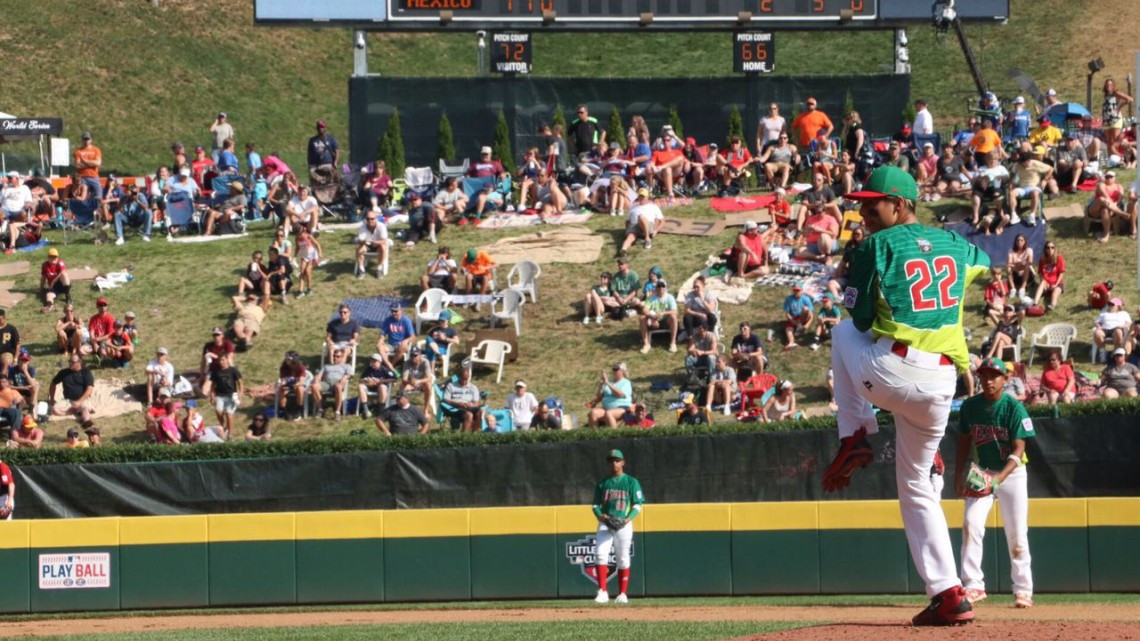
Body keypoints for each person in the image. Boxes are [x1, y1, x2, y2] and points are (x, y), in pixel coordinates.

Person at [822, 166, 988, 626]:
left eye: (872, 205)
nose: (863, 214)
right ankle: (949, 594)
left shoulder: (873, 246)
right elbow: (984, 261)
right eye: (861, 206)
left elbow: (859, 319)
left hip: (892, 372)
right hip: (941, 385)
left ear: (899, 204)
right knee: (915, 483)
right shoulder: (955, 243)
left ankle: (855, 434)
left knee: (841, 332)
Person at [954, 357, 1035, 609]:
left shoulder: (1014, 408)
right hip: (982, 472)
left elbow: (1019, 448)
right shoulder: (970, 406)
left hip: (1012, 473)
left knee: (1017, 532)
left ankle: (1023, 590)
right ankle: (974, 585)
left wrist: (1000, 478)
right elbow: (964, 441)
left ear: (1005, 379)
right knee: (971, 523)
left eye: (994, 375)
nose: (988, 380)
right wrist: (958, 474)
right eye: (984, 375)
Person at [590, 448, 644, 604]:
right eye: (611, 461)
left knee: (623, 557)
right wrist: (600, 515)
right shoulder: (602, 483)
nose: (614, 463)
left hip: (623, 524)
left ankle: (622, 594)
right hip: (605, 522)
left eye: (617, 460)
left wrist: (628, 519)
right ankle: (602, 591)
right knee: (600, 554)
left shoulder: (631, 482)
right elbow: (595, 505)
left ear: (623, 462)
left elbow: (638, 504)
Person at [49, 355, 96, 429]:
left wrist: (79, 402)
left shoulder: (86, 372)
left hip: (82, 399)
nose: (70, 363)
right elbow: (53, 384)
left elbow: (89, 389)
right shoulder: (64, 373)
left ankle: (86, 422)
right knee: (55, 409)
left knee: (85, 408)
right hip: (68, 401)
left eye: (72, 362)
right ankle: (76, 412)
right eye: (69, 361)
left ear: (79, 362)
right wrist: (52, 399)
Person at [1087, 171, 1134, 243]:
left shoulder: (1119, 186)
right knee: (1102, 199)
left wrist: (1112, 206)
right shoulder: (1101, 184)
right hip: (1096, 209)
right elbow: (1104, 194)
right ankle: (1121, 213)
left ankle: (1106, 235)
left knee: (1105, 210)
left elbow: (1119, 200)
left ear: (1115, 178)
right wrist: (1111, 204)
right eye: (1107, 177)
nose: (1109, 179)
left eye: (1111, 177)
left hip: (1111, 210)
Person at [618, 189, 664, 255]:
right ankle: (623, 249)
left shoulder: (653, 207)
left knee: (641, 216)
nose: (641, 198)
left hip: (647, 224)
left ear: (647, 197)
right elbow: (628, 221)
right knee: (630, 236)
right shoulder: (633, 207)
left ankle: (647, 239)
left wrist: (656, 230)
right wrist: (628, 229)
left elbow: (662, 221)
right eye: (640, 196)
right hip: (634, 225)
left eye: (643, 196)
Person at [587, 363, 633, 428]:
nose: (614, 371)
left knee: (609, 413)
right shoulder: (610, 381)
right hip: (606, 408)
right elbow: (599, 396)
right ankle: (594, 433)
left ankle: (613, 433)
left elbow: (620, 394)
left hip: (622, 408)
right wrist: (601, 384)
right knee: (593, 413)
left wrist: (607, 383)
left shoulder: (626, 382)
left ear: (622, 371)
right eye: (613, 369)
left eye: (616, 369)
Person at [310, 347, 351, 419]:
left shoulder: (346, 366)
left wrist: (345, 377)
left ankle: (337, 412)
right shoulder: (326, 366)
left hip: (338, 383)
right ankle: (320, 409)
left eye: (338, 356)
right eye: (334, 356)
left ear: (342, 357)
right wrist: (317, 378)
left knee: (338, 386)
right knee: (314, 386)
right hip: (327, 383)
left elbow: (349, 375)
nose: (335, 358)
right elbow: (319, 375)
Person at [209, 352, 242, 438]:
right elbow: (213, 384)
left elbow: (240, 383)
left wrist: (240, 394)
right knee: (218, 411)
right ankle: (222, 424)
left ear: (227, 360)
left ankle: (230, 433)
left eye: (223, 360)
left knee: (229, 414)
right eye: (219, 360)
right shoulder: (216, 371)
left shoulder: (233, 370)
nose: (221, 362)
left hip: (231, 396)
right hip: (219, 395)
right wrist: (212, 395)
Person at [639, 280, 678, 354]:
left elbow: (675, 311)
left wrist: (663, 313)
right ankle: (646, 344)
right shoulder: (650, 298)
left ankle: (673, 343)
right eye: (659, 286)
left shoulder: (670, 297)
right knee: (642, 318)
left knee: (673, 317)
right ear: (656, 287)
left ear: (665, 287)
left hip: (665, 320)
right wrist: (652, 317)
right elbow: (644, 310)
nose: (660, 288)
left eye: (662, 286)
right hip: (653, 319)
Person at [441, 367, 482, 432]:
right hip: (456, 408)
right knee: (469, 415)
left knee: (481, 413)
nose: (464, 381)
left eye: (466, 379)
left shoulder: (473, 387)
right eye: (463, 378)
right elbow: (446, 399)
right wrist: (458, 404)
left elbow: (476, 402)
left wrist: (471, 404)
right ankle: (463, 436)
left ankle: (473, 434)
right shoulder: (451, 386)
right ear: (459, 376)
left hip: (470, 407)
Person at [358, 353, 398, 419]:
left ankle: (381, 409)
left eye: (374, 361)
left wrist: (381, 381)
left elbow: (394, 379)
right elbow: (361, 380)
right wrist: (366, 380)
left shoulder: (384, 369)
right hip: (370, 387)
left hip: (381, 388)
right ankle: (366, 410)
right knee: (360, 386)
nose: (372, 363)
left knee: (382, 386)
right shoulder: (368, 369)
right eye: (372, 361)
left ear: (379, 362)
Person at [199, 327, 235, 399]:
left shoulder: (227, 344)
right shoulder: (208, 346)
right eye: (214, 335)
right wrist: (202, 373)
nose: (216, 337)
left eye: (218, 335)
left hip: (225, 368)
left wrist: (215, 356)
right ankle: (204, 394)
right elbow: (203, 361)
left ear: (222, 335)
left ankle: (232, 378)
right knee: (206, 385)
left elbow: (229, 357)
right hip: (213, 368)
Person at [1102, 78, 1134, 159]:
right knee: (1108, 141)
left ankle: (1119, 158)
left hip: (1115, 119)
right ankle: (1111, 159)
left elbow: (1129, 99)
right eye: (1107, 84)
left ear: (1113, 86)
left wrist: (1120, 106)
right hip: (1106, 121)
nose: (1108, 86)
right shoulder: (1106, 96)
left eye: (1110, 84)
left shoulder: (1116, 93)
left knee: (1115, 141)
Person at [401, 347, 435, 414]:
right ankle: (403, 407)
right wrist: (409, 382)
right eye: (411, 355)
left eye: (415, 355)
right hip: (411, 383)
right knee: (402, 387)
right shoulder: (407, 363)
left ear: (420, 355)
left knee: (429, 385)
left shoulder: (425, 362)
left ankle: (426, 409)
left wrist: (419, 381)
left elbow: (429, 378)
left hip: (422, 383)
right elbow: (404, 379)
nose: (413, 357)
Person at [1033, 242, 1065, 311]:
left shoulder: (1059, 258)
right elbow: (1040, 273)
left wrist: (1056, 284)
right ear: (1045, 249)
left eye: (1052, 247)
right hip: (1046, 283)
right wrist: (1044, 282)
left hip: (1058, 283)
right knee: (1042, 283)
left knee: (1054, 294)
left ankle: (1052, 305)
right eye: (1048, 247)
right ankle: (1035, 303)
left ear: (1054, 249)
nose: (1050, 249)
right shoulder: (1042, 260)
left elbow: (1061, 273)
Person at [782, 283, 814, 351]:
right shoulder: (788, 299)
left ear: (802, 290)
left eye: (798, 290)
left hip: (803, 318)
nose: (796, 292)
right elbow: (787, 313)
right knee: (788, 329)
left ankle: (799, 327)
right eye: (795, 290)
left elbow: (811, 314)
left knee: (805, 309)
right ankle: (791, 343)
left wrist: (807, 324)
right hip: (793, 318)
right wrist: (792, 320)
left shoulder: (806, 299)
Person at [293, 225, 322, 298]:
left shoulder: (309, 236)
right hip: (304, 256)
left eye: (300, 234)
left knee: (307, 271)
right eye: (297, 234)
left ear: (303, 231)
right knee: (302, 272)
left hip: (312, 256)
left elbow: (317, 244)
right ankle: (300, 291)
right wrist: (295, 256)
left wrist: (320, 253)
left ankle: (309, 289)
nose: (299, 236)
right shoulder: (297, 238)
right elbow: (297, 247)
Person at [73, 131, 103, 200]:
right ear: (82, 140)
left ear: (91, 140)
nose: (86, 141)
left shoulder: (96, 150)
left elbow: (98, 163)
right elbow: (77, 165)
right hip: (82, 177)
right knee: (82, 197)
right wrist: (92, 164)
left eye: (88, 139)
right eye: (84, 139)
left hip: (94, 176)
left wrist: (85, 161)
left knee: (98, 197)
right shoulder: (78, 151)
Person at [39, 248, 71, 312]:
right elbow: (43, 277)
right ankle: (49, 305)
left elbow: (63, 272)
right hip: (54, 287)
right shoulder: (45, 265)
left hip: (62, 283)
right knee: (48, 295)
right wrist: (41, 287)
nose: (54, 259)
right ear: (48, 257)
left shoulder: (60, 262)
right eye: (51, 257)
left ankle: (67, 295)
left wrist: (53, 281)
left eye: (55, 257)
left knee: (64, 274)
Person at [1006, 234, 1035, 301]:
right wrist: (1020, 263)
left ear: (1025, 241)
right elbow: (1009, 264)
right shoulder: (1011, 251)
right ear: (1015, 242)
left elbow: (1030, 262)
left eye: (1022, 240)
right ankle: (1013, 288)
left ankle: (1022, 289)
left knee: (1027, 266)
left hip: (1026, 273)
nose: (1019, 242)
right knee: (1008, 268)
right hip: (1015, 273)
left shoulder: (1029, 250)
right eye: (1018, 240)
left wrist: (1016, 264)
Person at [88, 298, 116, 362]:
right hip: (95, 340)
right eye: (100, 305)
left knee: (103, 349)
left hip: (105, 340)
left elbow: (110, 334)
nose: (103, 307)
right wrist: (94, 343)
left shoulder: (110, 318)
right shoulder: (93, 319)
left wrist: (98, 339)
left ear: (106, 306)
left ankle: (100, 361)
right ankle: (96, 353)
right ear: (97, 307)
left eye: (104, 305)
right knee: (82, 350)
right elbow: (91, 333)